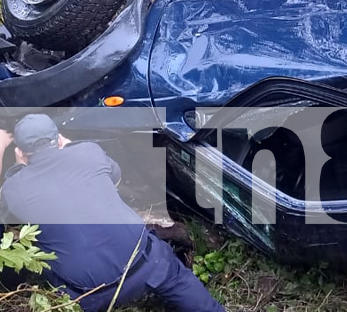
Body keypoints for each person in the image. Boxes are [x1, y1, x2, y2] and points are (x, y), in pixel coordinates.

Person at [0, 114, 226, 312]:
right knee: (176, 277)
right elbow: (115, 178)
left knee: (44, 252)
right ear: (58, 139)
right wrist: (73, 150)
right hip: (145, 265)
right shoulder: (89, 151)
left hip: (86, 295)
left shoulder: (13, 189)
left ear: (20, 152)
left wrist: (6, 158)